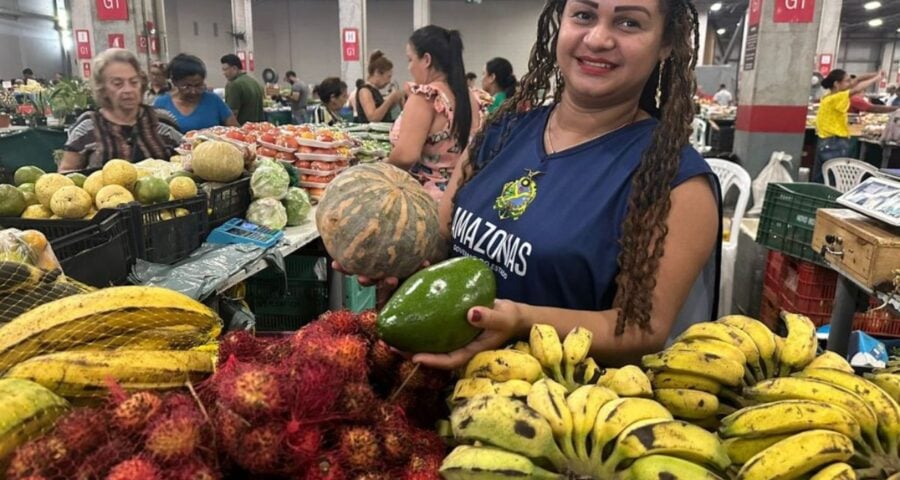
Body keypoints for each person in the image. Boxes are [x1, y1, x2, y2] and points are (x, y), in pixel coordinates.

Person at [344, 0, 720, 370]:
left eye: (629, 24)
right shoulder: (502, 131)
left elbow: (641, 331)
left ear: (666, 42)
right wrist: (395, 262)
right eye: (584, 15)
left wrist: (522, 320)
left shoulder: (675, 181)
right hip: (437, 389)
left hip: (552, 413)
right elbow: (443, 241)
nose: (598, 38)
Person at [388, 25, 484, 202]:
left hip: (427, 203)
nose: (409, 67)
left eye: (410, 59)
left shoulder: (426, 97)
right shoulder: (471, 97)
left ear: (426, 60)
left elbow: (406, 155)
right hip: (466, 196)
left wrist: (378, 171)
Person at [59, 49, 182, 171]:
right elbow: (67, 173)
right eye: (118, 84)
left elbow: (185, 163)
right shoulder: (87, 126)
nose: (128, 90)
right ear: (102, 88)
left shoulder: (162, 120)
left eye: (134, 82)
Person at [813, 70, 886, 183]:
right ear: (837, 84)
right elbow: (856, 89)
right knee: (835, 178)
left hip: (825, 141)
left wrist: (877, 74)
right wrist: (876, 79)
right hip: (834, 142)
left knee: (823, 176)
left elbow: (856, 80)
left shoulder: (828, 96)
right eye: (847, 81)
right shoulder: (836, 98)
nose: (850, 83)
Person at [153, 53, 238, 132]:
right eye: (186, 86)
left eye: (198, 85)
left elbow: (235, 131)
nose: (193, 91)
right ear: (175, 82)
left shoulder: (214, 101)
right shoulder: (161, 104)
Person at [355, 50, 403, 123]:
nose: (389, 81)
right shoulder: (365, 91)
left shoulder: (374, 90)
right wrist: (390, 99)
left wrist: (394, 101)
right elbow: (373, 117)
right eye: (388, 77)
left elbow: (382, 112)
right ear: (377, 72)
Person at [220, 53, 264, 124]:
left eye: (225, 69)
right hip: (257, 128)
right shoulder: (253, 81)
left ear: (234, 68)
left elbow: (232, 114)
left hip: (241, 130)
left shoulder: (234, 85)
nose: (224, 73)